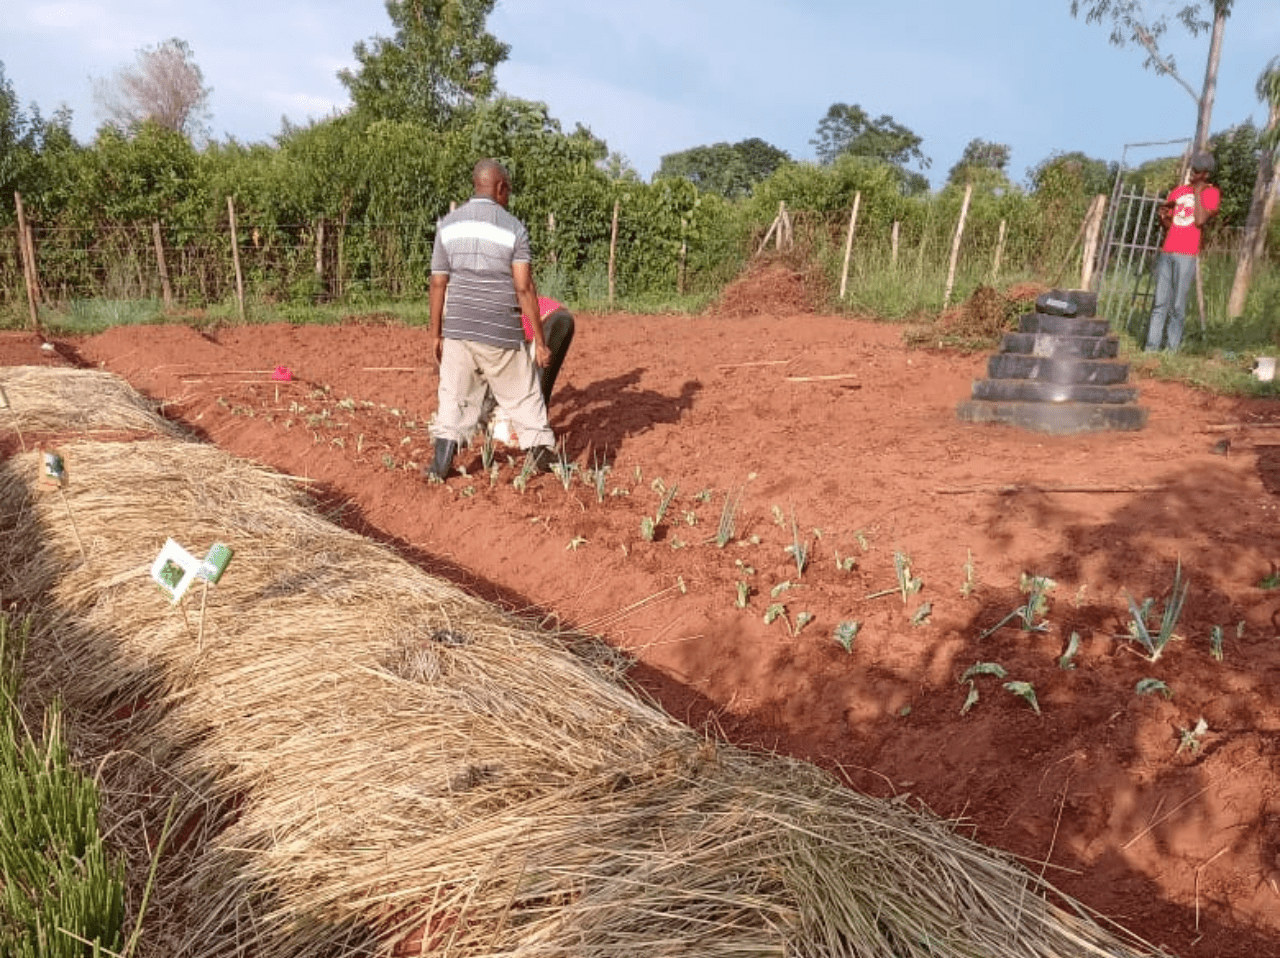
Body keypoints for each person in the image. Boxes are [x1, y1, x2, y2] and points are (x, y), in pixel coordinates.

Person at [425, 159, 556, 480]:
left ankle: (440, 463)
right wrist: (540, 341)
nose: (508, 196)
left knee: (453, 397)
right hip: (499, 330)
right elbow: (524, 288)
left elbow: (437, 283)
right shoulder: (513, 228)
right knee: (524, 394)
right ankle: (542, 457)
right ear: (500, 188)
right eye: (508, 189)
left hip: (458, 329)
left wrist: (435, 335)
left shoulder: (448, 225)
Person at [1145, 151, 1219, 353]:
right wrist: (1163, 218)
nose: (1191, 173)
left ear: (1205, 174)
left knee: (1177, 306)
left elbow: (1200, 220)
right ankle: (1151, 348)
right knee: (1159, 303)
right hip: (1168, 250)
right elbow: (1170, 224)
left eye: (1196, 171)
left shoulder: (1211, 193)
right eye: (1191, 169)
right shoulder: (1178, 191)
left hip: (1187, 254)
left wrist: (1197, 191)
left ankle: (1171, 350)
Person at [484, 295, 575, 444]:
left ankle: (537, 439)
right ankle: (530, 433)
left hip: (554, 322)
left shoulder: (490, 326)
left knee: (538, 385)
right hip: (552, 320)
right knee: (533, 383)